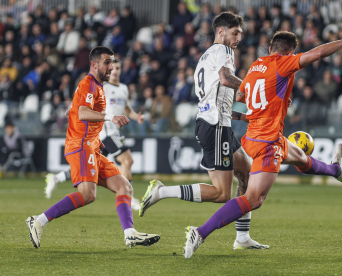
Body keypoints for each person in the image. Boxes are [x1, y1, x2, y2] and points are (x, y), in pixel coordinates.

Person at [183, 27, 342, 258]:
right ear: (289, 53)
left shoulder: (255, 66)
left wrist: (255, 111)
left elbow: (240, 99)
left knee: (299, 157)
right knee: (254, 198)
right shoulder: (283, 63)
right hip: (268, 143)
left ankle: (337, 170)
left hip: (254, 137)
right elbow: (317, 54)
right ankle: (200, 232)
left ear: (269, 49)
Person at [139, 12, 268, 250]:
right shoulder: (224, 51)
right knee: (222, 193)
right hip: (215, 126)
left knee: (248, 177)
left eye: (240, 33)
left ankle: (241, 238)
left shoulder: (207, 55)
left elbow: (222, 97)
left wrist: (248, 114)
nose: (239, 37)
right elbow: (226, 78)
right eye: (235, 32)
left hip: (219, 124)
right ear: (221, 32)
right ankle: (162, 191)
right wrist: (255, 87)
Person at [26, 46, 160, 249]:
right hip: (81, 145)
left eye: (113, 62)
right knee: (88, 194)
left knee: (124, 187)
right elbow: (83, 113)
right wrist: (110, 117)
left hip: (93, 146)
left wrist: (72, 108)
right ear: (94, 65)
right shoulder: (90, 84)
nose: (111, 67)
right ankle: (38, 221)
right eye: (107, 62)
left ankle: (130, 233)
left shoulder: (96, 86)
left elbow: (78, 107)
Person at [44, 59, 143, 211]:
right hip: (106, 130)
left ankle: (57, 177)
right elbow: (85, 95)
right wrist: (72, 106)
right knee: (127, 160)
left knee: (91, 166)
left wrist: (137, 117)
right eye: (113, 68)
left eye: (118, 68)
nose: (115, 70)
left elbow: (127, 109)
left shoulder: (123, 88)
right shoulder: (102, 85)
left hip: (109, 132)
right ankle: (129, 197)